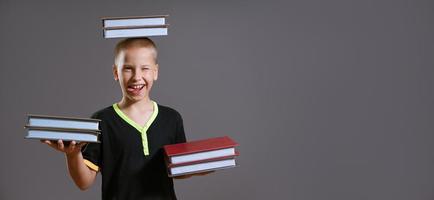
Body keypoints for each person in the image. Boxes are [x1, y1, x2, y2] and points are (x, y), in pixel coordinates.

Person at [42, 37, 209, 200]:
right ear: (116, 72)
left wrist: (199, 166)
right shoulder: (102, 121)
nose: (137, 76)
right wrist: (73, 155)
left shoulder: (172, 118)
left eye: (145, 68)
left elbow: (176, 171)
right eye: (128, 68)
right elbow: (84, 182)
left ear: (155, 72)